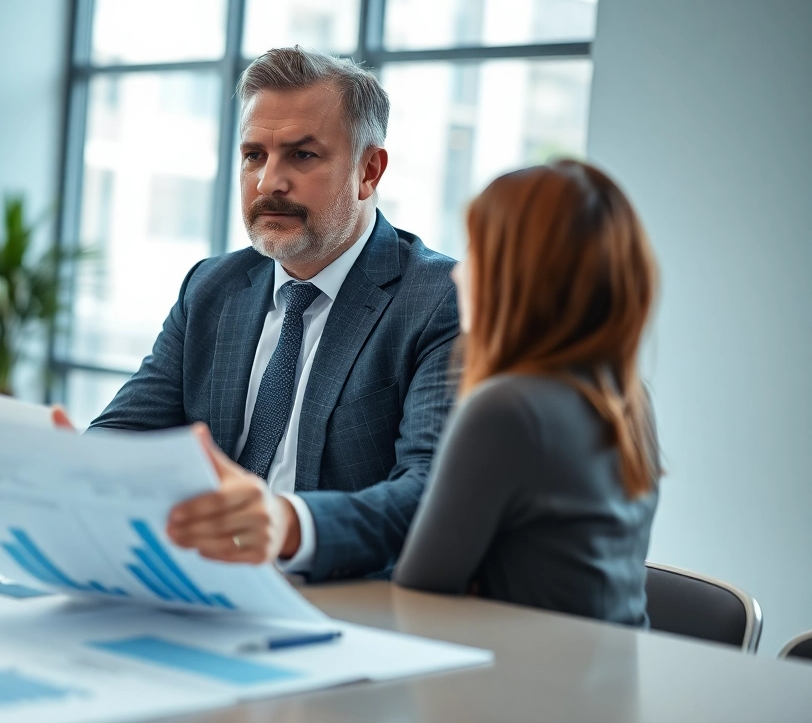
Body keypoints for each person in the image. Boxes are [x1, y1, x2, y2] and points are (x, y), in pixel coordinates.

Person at [84, 46, 460, 582]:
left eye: (302, 156)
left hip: (341, 600)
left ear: (368, 171)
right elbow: (126, 433)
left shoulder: (438, 299)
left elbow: (431, 491)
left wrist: (287, 524)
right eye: (254, 155)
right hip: (199, 580)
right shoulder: (213, 287)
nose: (268, 183)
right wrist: (67, 473)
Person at [393, 160, 660, 626]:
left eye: (475, 251)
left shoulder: (505, 409)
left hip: (522, 688)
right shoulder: (627, 397)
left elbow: (420, 590)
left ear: (517, 273)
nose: (458, 274)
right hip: (604, 687)